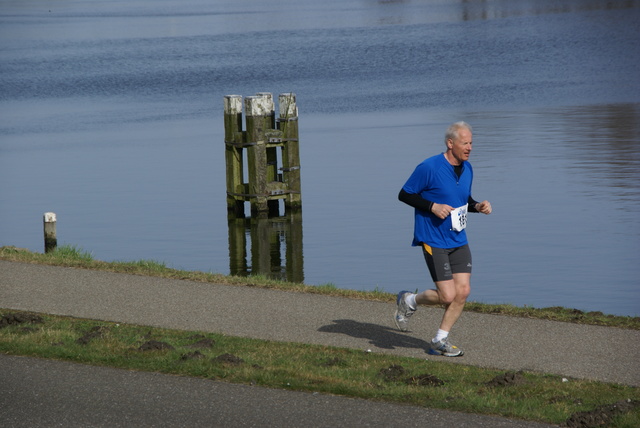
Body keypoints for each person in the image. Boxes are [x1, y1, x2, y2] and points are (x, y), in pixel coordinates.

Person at [395, 121, 492, 357]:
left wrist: (477, 206)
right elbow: (404, 194)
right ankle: (410, 300)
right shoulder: (429, 167)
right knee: (447, 295)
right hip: (433, 238)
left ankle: (440, 339)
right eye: (464, 143)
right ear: (450, 143)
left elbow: (463, 200)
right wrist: (432, 206)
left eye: (471, 143)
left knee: (463, 291)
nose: (469, 148)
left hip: (458, 238)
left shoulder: (467, 169)